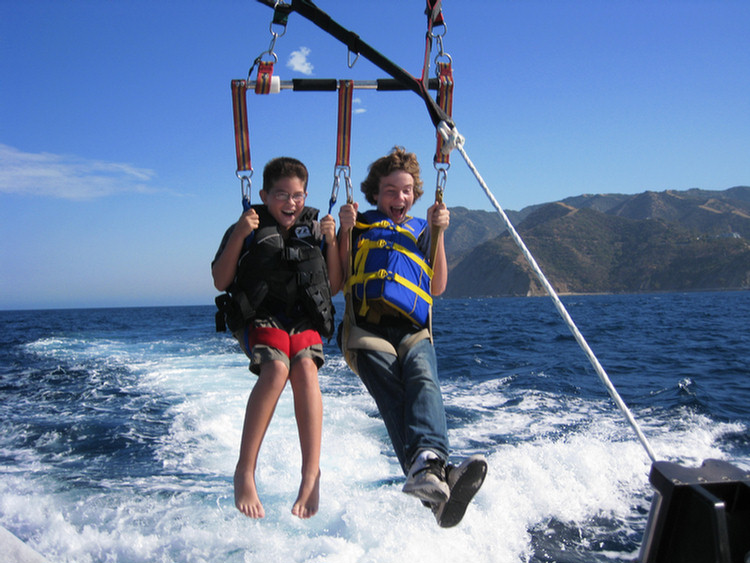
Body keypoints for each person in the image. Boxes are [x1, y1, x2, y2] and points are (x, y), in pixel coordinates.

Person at [336, 146, 486, 528]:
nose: (398, 198)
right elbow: (337, 281)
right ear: (374, 193)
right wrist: (343, 230)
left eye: (405, 191)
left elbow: (436, 286)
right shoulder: (360, 225)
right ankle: (434, 469)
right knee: (393, 390)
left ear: (416, 195)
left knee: (423, 381)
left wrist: (438, 232)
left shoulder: (421, 230)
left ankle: (432, 473)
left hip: (413, 330)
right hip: (366, 330)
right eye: (389, 190)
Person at [212, 156, 343, 519]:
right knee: (275, 369)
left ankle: (311, 474)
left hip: (302, 318)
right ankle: (244, 470)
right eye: (281, 195)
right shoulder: (248, 226)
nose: (290, 203)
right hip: (259, 317)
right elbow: (221, 281)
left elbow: (334, 285)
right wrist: (240, 233)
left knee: (305, 369)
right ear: (264, 195)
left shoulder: (316, 227)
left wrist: (332, 242)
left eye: (298, 195)